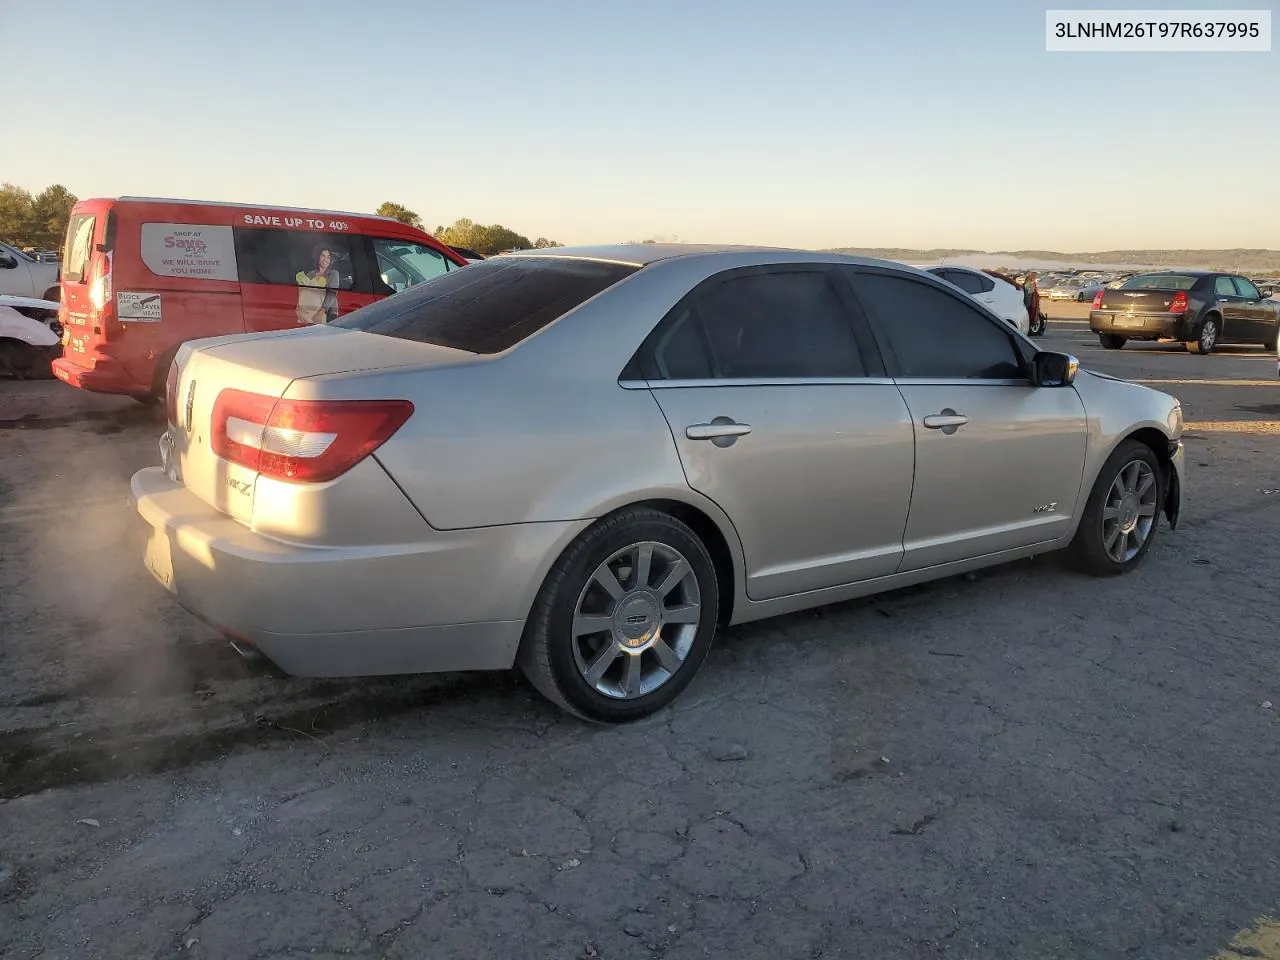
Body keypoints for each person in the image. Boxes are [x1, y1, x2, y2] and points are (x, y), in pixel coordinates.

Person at [294, 246, 340, 324]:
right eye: (323, 256)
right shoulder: (310, 274)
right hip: (311, 312)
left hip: (328, 313)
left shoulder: (333, 274)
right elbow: (304, 292)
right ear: (317, 257)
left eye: (328, 257)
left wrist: (321, 311)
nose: (326, 259)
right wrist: (298, 308)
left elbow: (332, 293)